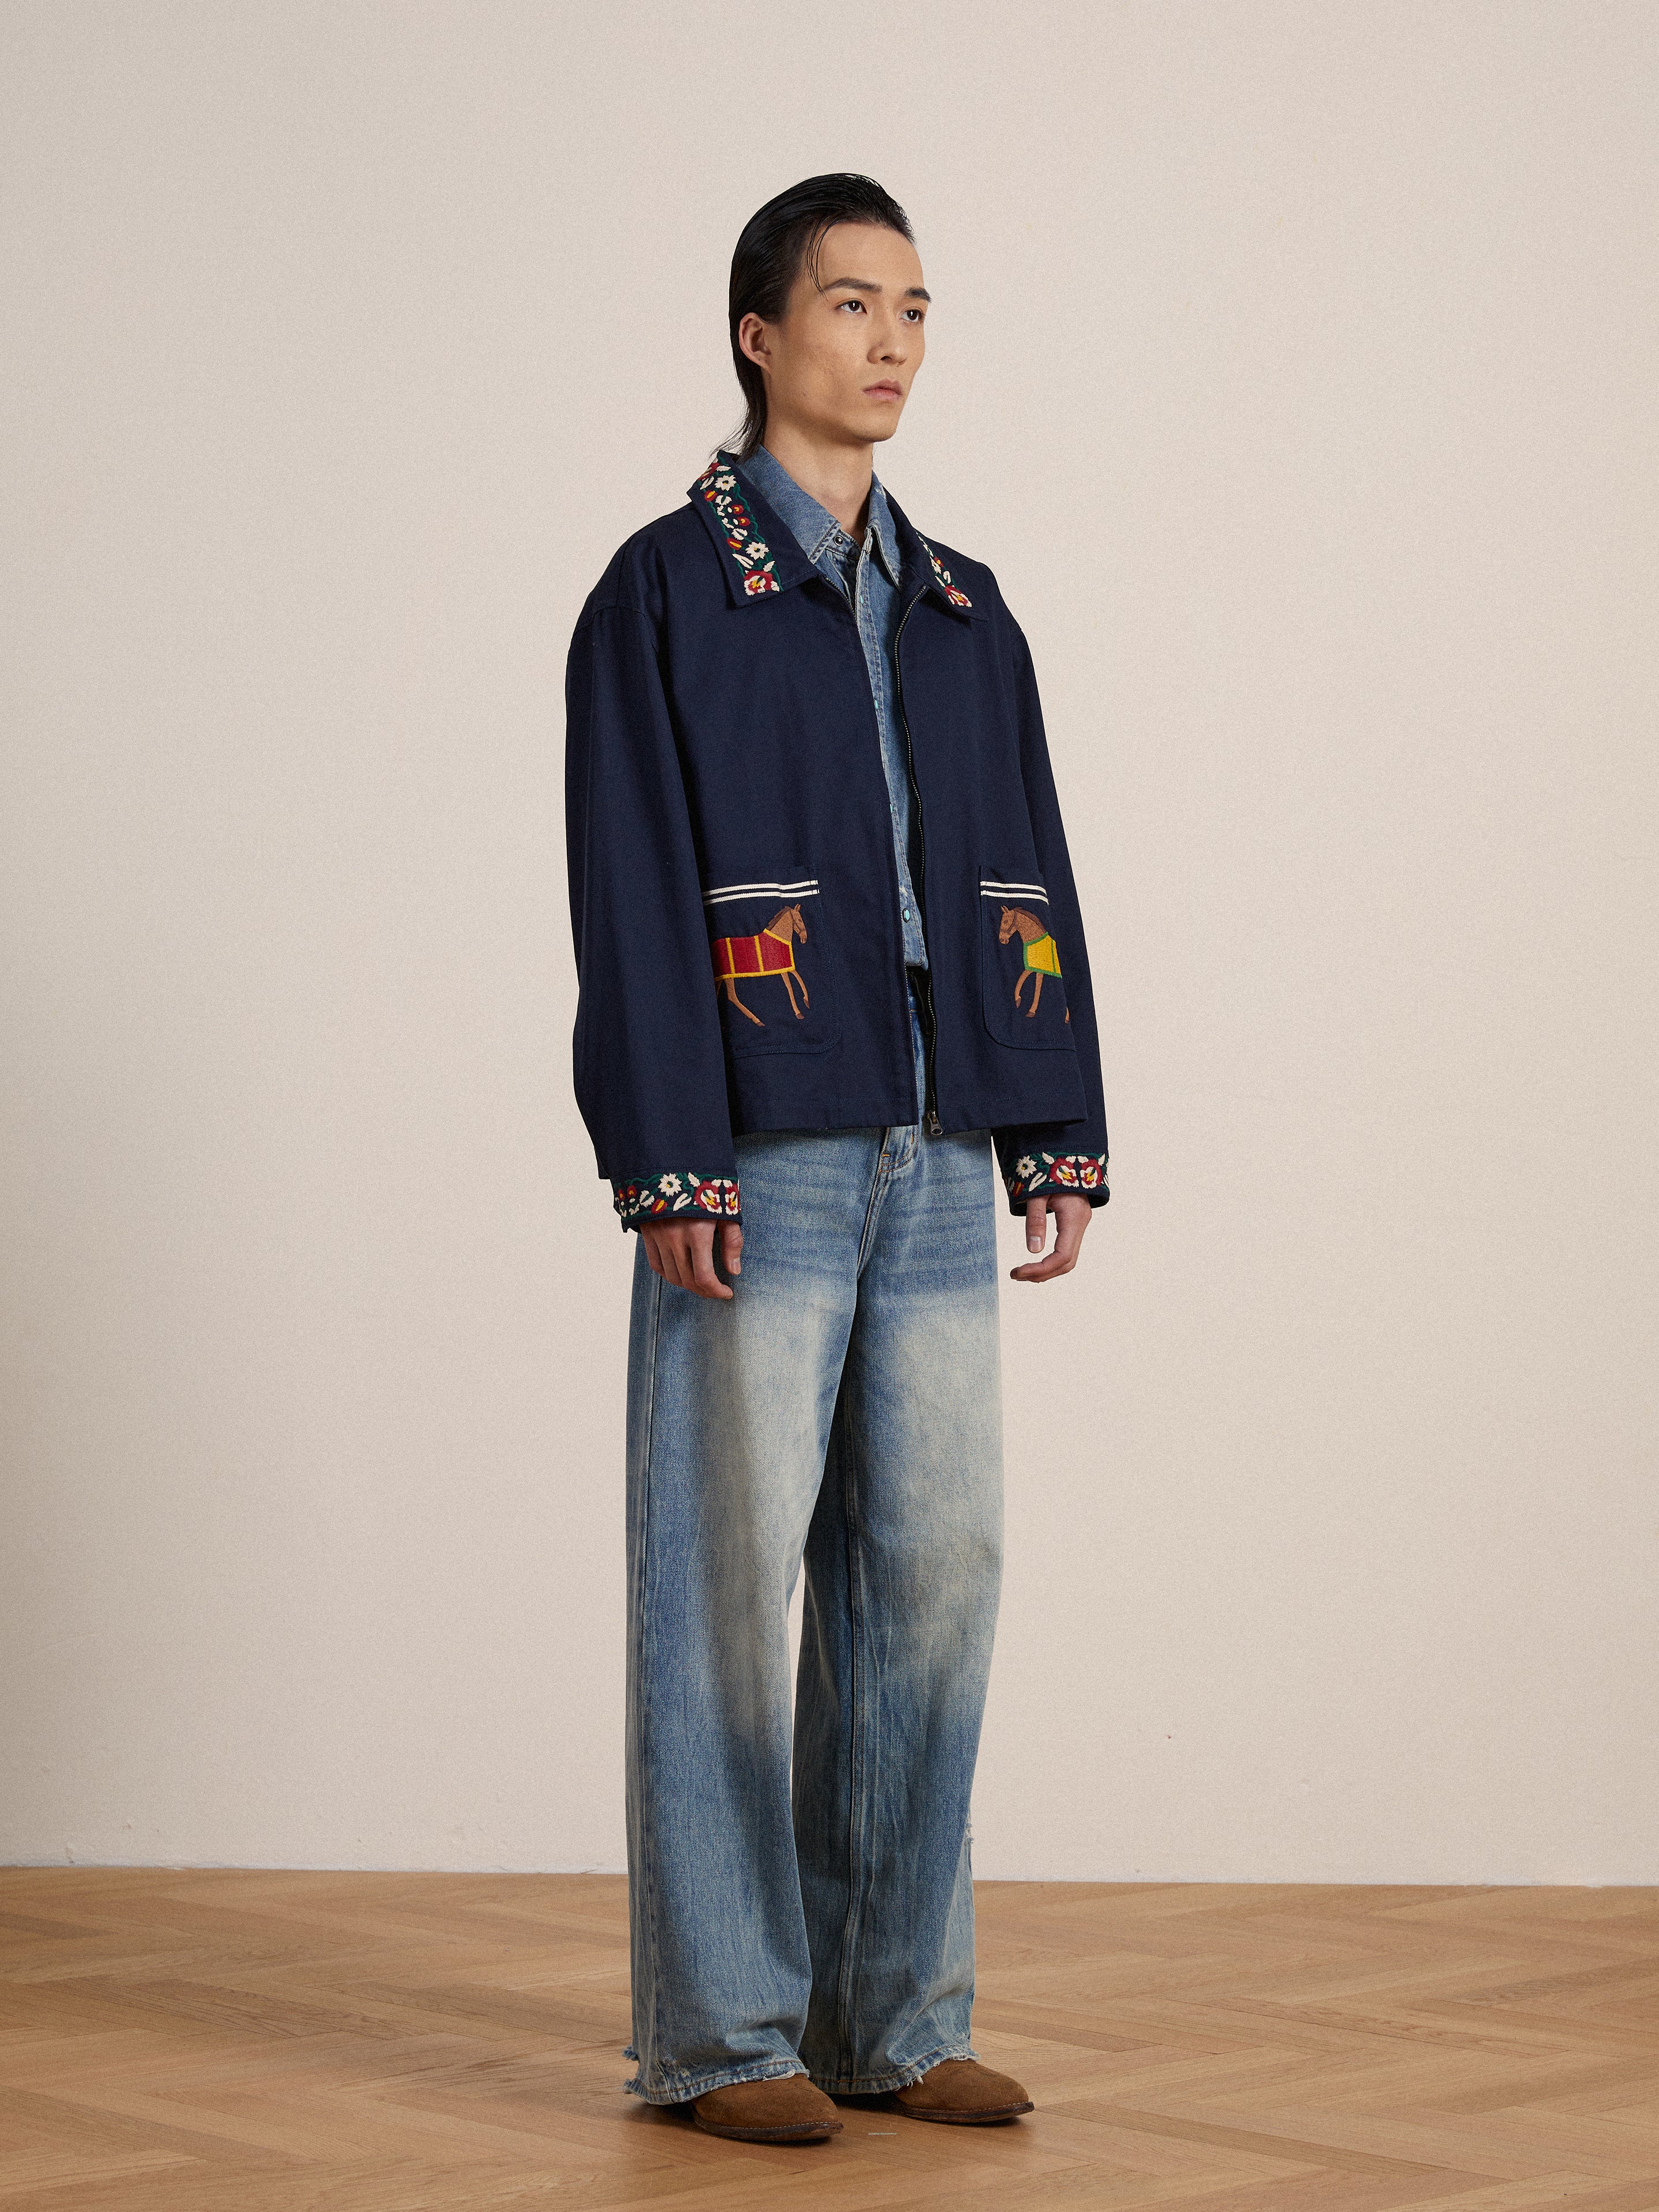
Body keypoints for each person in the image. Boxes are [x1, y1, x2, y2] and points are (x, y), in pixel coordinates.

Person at [563, 174, 1109, 2147]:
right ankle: (722, 2032)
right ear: (758, 331)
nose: (890, 341)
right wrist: (670, 1159)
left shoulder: (966, 611)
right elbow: (629, 889)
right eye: (852, 302)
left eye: (916, 309)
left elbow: (1027, 861)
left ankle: (894, 2011)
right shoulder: (666, 590)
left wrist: (1058, 1111)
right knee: (724, 1584)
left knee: (932, 1570)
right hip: (758, 1149)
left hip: (943, 1139)